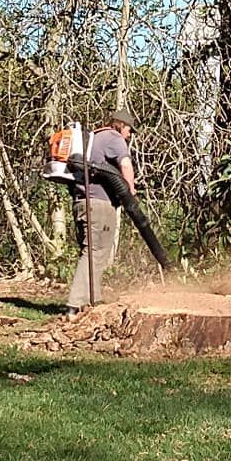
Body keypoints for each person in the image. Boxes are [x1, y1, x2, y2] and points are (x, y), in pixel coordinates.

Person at [65, 108, 137, 317]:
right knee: (95, 253)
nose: (129, 135)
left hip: (81, 203)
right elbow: (125, 164)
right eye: (130, 130)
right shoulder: (114, 138)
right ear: (121, 125)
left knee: (91, 253)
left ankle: (91, 303)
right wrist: (130, 191)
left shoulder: (93, 138)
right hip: (99, 205)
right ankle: (75, 305)